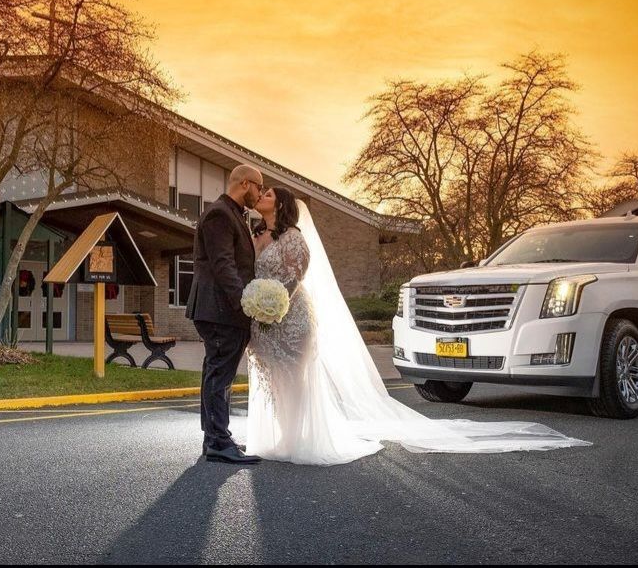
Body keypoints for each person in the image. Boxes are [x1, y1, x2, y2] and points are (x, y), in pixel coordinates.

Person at [245, 186, 592, 465]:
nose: (262, 196)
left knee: (296, 376)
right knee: (272, 377)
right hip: (264, 320)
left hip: (291, 317)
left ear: (283, 205)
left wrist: (274, 303)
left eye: (268, 194)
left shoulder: (295, 238)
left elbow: (296, 273)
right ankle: (275, 437)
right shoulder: (257, 233)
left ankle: (298, 440)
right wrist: (259, 306)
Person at [186, 164, 264, 464]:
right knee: (220, 373)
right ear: (245, 183)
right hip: (220, 309)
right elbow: (223, 265)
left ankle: (215, 438)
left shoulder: (231, 214)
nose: (259, 193)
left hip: (219, 309)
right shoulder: (220, 213)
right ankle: (218, 441)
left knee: (216, 372)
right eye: (259, 187)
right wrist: (244, 303)